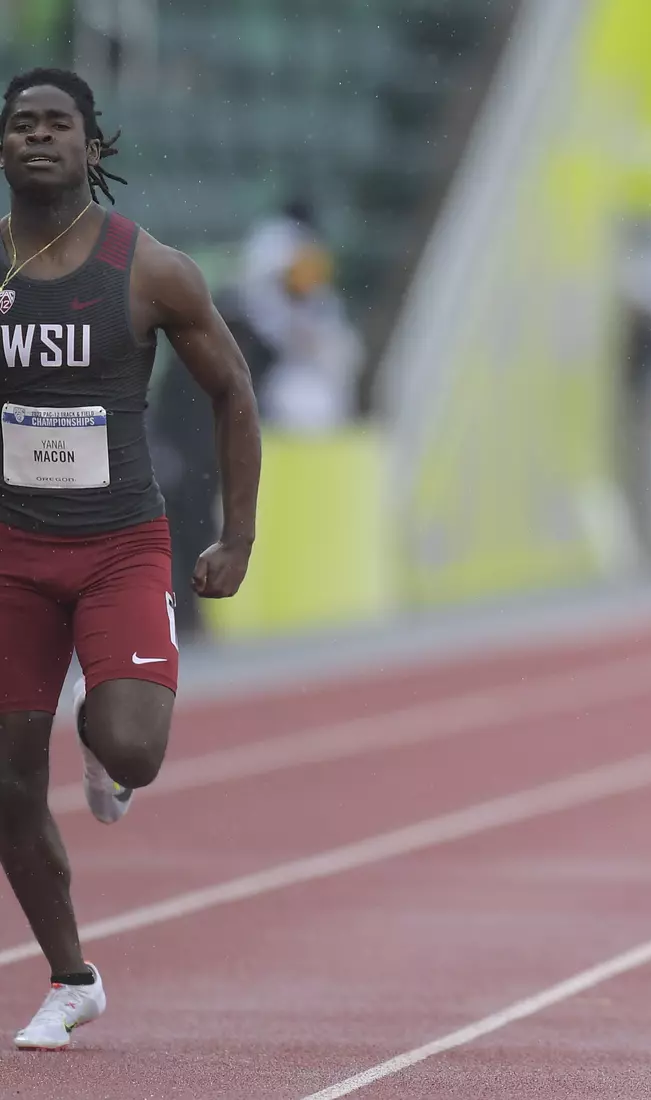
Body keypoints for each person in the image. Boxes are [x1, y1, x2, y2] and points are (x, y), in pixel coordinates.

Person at [0, 69, 261, 1050]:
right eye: (19, 124)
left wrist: (237, 532)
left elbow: (233, 389)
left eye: (56, 124)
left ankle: (99, 730)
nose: (36, 138)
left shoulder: (151, 271)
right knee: (8, 785)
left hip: (117, 547)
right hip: (11, 553)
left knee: (134, 745)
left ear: (93, 147)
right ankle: (73, 977)